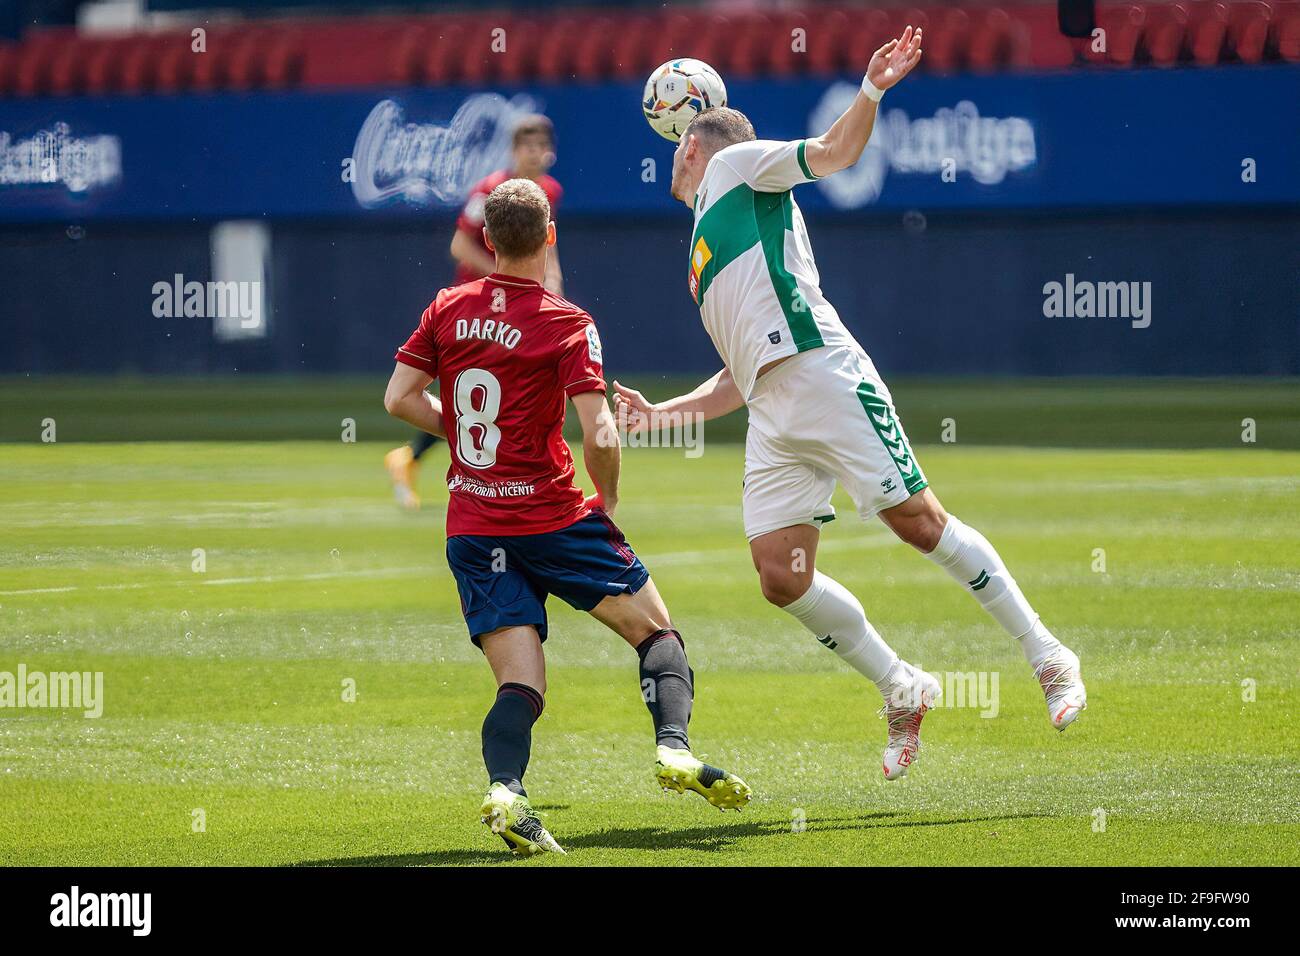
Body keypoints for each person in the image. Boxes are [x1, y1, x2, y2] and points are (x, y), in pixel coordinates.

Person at [614, 26, 1086, 782]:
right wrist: (657, 417)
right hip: (773, 407)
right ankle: (903, 686)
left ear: (695, 144)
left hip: (825, 377)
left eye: (677, 146)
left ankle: (1048, 654)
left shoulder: (735, 166)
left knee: (919, 523)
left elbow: (833, 156)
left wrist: (871, 90)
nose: (669, 156)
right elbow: (737, 378)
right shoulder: (705, 240)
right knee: (780, 574)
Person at [383, 178, 750, 856]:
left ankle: (506, 791)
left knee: (520, 682)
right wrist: (605, 503)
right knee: (657, 635)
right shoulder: (566, 322)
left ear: (488, 240)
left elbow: (398, 398)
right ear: (549, 236)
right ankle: (673, 749)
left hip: (474, 525)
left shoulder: (447, 307)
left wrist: (461, 436)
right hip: (554, 516)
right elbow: (601, 432)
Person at [384, 115, 565, 509]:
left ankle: (418, 458)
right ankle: (425, 460)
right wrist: (508, 275)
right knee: (480, 388)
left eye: (540, 146)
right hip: (481, 304)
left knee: (502, 389)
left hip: (521, 301)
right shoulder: (489, 190)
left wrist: (553, 286)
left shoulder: (549, 190)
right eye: (526, 146)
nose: (534, 154)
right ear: (514, 151)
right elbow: (461, 246)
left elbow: (547, 246)